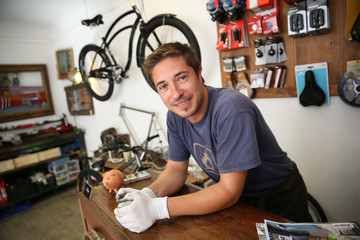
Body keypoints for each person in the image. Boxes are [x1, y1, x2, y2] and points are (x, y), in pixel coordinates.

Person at [114, 42, 311, 233]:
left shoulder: (231, 108)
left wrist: (156, 209)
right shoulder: (175, 116)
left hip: (278, 197)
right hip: (241, 200)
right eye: (163, 86)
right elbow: (175, 169)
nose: (176, 94)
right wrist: (148, 194)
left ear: (199, 73)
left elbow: (228, 191)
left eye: (181, 78)